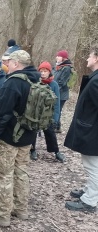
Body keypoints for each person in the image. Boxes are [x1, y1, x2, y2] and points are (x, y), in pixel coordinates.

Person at [0, 50, 39, 227]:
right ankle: (21, 209)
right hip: (28, 137)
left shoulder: (13, 83)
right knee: (22, 172)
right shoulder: (36, 80)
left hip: (9, 138)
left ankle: (2, 214)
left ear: (16, 64)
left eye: (8, 61)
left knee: (3, 174)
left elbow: (1, 115)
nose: (6, 65)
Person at [64, 45, 98, 213]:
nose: (87, 59)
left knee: (93, 166)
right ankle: (89, 190)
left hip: (93, 132)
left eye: (90, 56)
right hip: (91, 129)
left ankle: (90, 201)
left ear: (96, 58)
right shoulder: (95, 78)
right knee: (91, 164)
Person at [29, 61, 65, 163]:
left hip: (48, 114)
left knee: (50, 132)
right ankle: (32, 150)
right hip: (35, 113)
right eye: (41, 71)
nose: (43, 73)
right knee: (32, 132)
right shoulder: (35, 83)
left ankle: (56, 152)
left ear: (49, 72)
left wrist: (56, 118)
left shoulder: (54, 85)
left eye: (45, 71)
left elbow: (57, 103)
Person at [54, 50, 73, 133]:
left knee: (57, 109)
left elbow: (62, 82)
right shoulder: (59, 66)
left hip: (62, 94)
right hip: (58, 92)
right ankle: (57, 127)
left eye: (58, 56)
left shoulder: (66, 68)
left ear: (63, 58)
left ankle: (56, 127)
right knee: (56, 109)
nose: (56, 57)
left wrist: (55, 90)